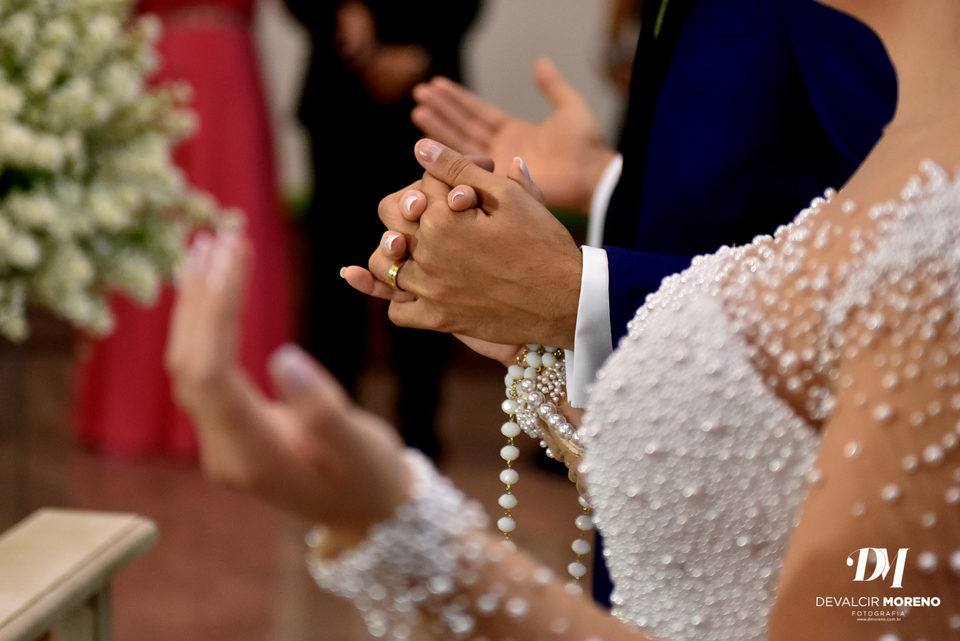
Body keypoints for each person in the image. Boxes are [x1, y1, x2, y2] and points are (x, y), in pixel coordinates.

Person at [167, 0, 960, 638]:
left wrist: (394, 527)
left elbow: (886, 605)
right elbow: (798, 259)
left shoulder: (927, 241)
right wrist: (599, 198)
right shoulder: (906, 210)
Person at [72, 0, 293, 458]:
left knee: (232, 216)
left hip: (229, 72)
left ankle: (234, 413)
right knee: (150, 226)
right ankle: (138, 411)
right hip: (158, 63)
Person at [281, 0, 481, 460]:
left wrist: (420, 50)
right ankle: (329, 425)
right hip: (339, 101)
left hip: (426, 101)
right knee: (335, 273)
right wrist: (338, 13)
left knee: (429, 261)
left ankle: (419, 426)